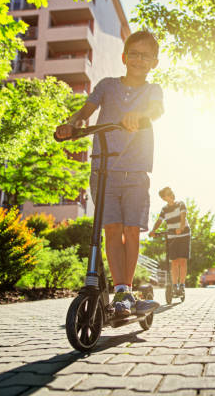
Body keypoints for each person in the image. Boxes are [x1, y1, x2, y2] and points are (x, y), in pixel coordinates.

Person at [55, 31, 163, 318]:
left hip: (136, 170)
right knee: (112, 230)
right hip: (103, 169)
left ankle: (125, 292)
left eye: (146, 55)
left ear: (154, 62)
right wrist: (71, 124)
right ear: (124, 57)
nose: (139, 59)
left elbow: (156, 110)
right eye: (134, 53)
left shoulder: (153, 91)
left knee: (131, 230)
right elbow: (84, 112)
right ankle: (120, 290)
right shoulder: (106, 86)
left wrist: (139, 117)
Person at [149, 187, 190, 292]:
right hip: (172, 236)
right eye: (168, 194)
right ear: (164, 198)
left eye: (171, 192)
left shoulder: (180, 204)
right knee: (174, 261)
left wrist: (181, 227)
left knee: (182, 260)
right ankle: (175, 285)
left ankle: (182, 285)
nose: (171, 194)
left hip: (184, 235)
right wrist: (153, 230)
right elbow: (159, 220)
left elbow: (183, 216)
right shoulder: (164, 209)